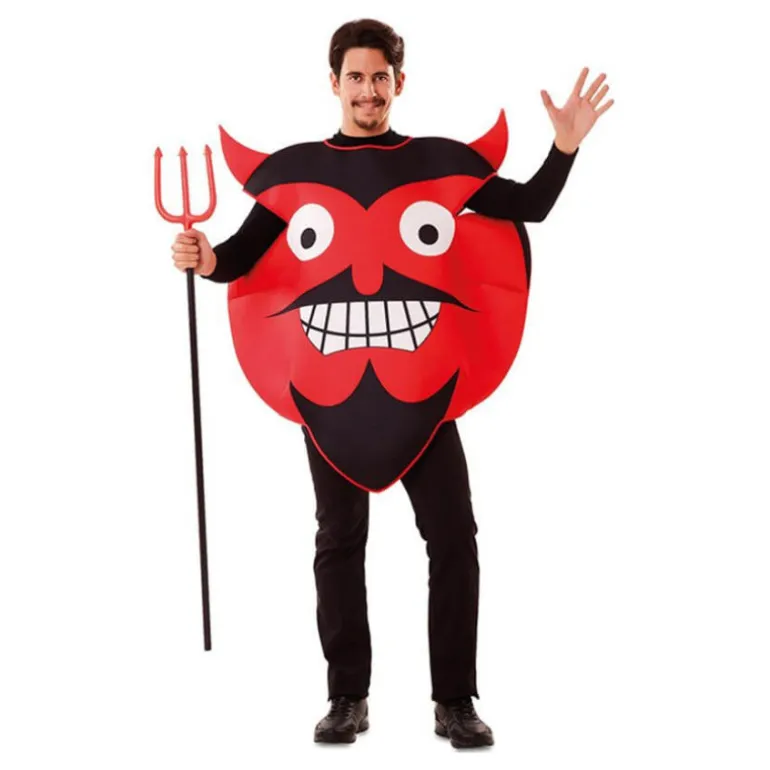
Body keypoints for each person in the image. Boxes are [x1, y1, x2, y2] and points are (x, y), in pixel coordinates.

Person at [170, 18, 613, 750]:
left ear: (398, 83)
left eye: (380, 77)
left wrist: (563, 147)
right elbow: (240, 257)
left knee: (454, 537)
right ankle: (347, 697)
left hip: (423, 393)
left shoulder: (434, 165)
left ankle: (455, 700)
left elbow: (528, 205)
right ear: (334, 82)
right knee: (338, 538)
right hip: (332, 397)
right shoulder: (297, 174)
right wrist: (202, 255)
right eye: (356, 77)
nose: (368, 90)